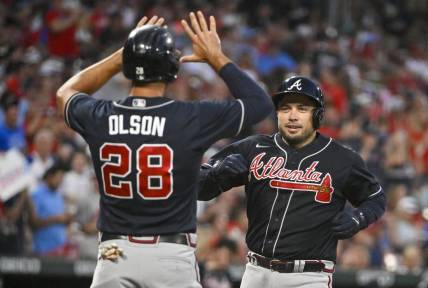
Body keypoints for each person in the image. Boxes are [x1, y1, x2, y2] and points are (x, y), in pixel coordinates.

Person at [56, 11, 273, 288]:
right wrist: (216, 57)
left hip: (115, 254)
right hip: (171, 255)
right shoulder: (190, 117)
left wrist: (120, 57)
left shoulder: (102, 116)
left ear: (129, 65)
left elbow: (66, 92)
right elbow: (260, 104)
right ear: (172, 67)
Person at [198, 76, 386, 288]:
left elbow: (375, 198)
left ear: (318, 115)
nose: (292, 116)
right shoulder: (253, 148)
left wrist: (358, 218)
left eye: (302, 109)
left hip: (308, 277)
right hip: (255, 272)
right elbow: (197, 189)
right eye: (285, 108)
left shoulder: (342, 159)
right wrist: (215, 175)